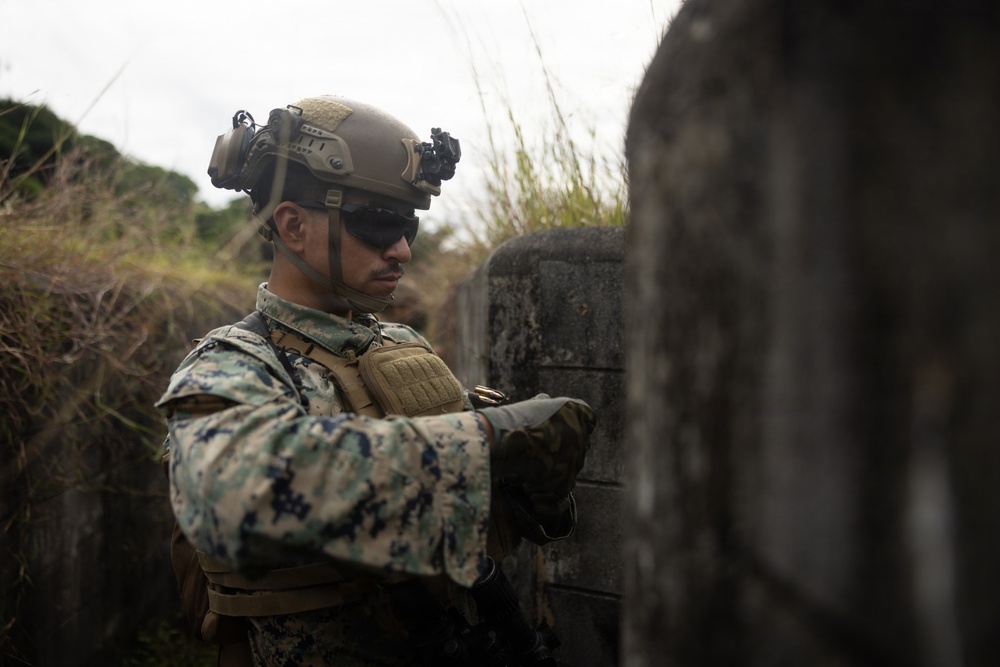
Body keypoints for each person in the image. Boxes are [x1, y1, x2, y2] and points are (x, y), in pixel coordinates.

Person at [156, 95, 596, 666]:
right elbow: (231, 491)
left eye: (408, 224)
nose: (403, 249)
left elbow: (471, 505)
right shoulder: (234, 363)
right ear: (291, 224)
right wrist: (487, 440)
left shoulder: (399, 345)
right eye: (379, 224)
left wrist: (534, 483)